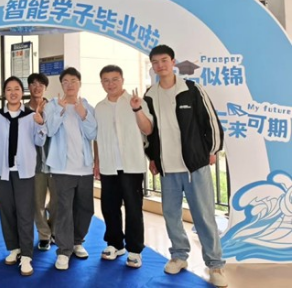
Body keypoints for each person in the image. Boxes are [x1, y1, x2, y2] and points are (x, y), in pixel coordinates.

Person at [142, 45, 227, 288]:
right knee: (171, 215)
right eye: (155, 62)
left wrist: (212, 151)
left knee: (204, 216)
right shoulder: (150, 94)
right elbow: (149, 132)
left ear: (173, 62)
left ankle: (215, 264)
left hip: (194, 167)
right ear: (152, 66)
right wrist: (152, 157)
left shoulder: (191, 89)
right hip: (168, 169)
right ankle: (179, 256)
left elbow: (210, 121)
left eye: (164, 60)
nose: (160, 65)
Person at [0, 76, 47, 276]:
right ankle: (14, 248)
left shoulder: (30, 116)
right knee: (7, 211)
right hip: (2, 171)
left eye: (17, 88)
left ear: (22, 92)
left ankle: (26, 255)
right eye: (9, 89)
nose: (13, 92)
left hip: (24, 171)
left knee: (25, 212)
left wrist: (40, 124)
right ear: (4, 93)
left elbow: (40, 141)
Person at [93, 65, 152, 268]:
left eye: (115, 79)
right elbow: (97, 137)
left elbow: (148, 129)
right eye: (106, 80)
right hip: (109, 164)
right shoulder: (99, 107)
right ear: (102, 83)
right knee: (109, 207)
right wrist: (97, 161)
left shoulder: (136, 102)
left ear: (122, 80)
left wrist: (137, 109)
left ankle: (135, 250)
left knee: (133, 208)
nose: (110, 84)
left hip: (132, 165)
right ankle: (114, 244)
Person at [44, 67, 97, 271]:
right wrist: (60, 111)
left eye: (73, 81)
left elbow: (93, 134)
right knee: (64, 210)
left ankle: (77, 242)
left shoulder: (87, 106)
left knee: (86, 208)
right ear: (61, 85)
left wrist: (84, 116)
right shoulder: (53, 105)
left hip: (84, 168)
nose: (70, 85)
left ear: (79, 83)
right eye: (65, 81)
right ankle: (63, 251)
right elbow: (49, 131)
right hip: (62, 168)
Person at [25, 72, 56, 251]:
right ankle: (44, 235)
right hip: (34, 163)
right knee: (37, 203)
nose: (37, 88)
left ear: (45, 88)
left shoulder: (53, 108)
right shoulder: (23, 111)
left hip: (54, 162)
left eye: (41, 85)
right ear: (29, 87)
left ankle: (53, 229)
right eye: (33, 84)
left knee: (57, 201)